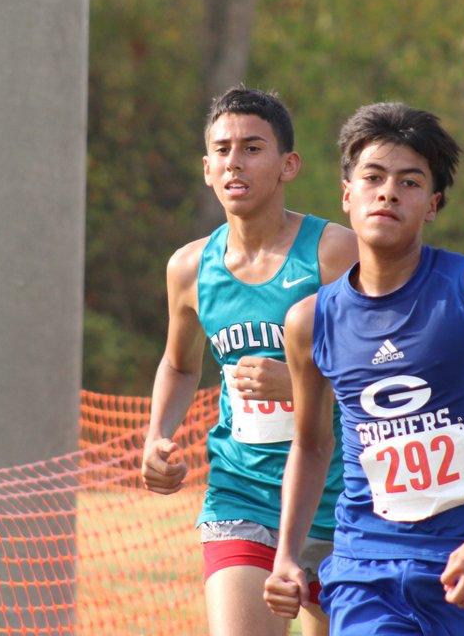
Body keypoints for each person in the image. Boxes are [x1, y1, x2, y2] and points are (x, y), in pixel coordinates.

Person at [264, 103, 464, 635]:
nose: (388, 193)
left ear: (432, 204)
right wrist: (286, 555)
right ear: (347, 194)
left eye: (409, 182)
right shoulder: (309, 322)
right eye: (373, 178)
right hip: (365, 572)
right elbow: (311, 446)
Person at [141, 86, 358, 636]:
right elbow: (180, 365)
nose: (234, 161)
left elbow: (389, 364)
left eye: (252, 148)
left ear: (289, 165)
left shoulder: (334, 253)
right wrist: (157, 435)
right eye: (222, 150)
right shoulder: (190, 267)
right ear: (207, 169)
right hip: (243, 493)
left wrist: (303, 382)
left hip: (343, 497)